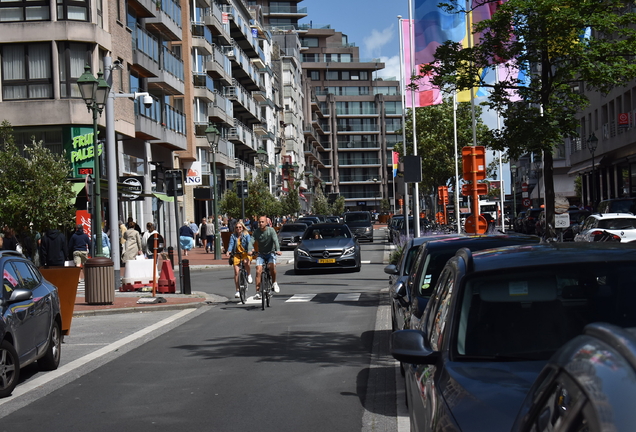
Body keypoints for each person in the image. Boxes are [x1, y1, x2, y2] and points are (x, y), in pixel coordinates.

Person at [250, 215, 282, 299]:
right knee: (258, 270)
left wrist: (278, 250)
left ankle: (274, 282)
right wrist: (250, 249)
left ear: (267, 223)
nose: (260, 223)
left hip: (270, 253)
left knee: (272, 267)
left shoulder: (271, 231)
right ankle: (257, 292)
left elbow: (275, 240)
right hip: (261, 254)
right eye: (259, 222)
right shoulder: (256, 232)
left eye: (262, 222)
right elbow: (251, 241)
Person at [225, 221, 253, 298]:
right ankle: (237, 290)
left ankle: (249, 275)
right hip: (237, 254)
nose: (238, 229)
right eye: (237, 227)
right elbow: (231, 244)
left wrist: (250, 249)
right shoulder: (233, 236)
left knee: (245, 261)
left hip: (245, 253)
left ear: (242, 228)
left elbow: (249, 243)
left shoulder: (246, 235)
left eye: (240, 227)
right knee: (236, 272)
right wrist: (229, 251)